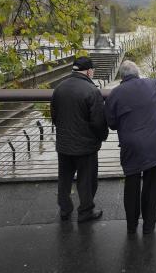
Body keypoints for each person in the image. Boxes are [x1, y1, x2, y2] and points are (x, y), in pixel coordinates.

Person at [105, 60, 156, 235]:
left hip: (131, 146)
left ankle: (131, 226)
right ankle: (149, 227)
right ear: (138, 73)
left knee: (132, 185)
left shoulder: (114, 94)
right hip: (154, 144)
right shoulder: (151, 85)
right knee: (152, 186)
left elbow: (112, 124)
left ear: (121, 76)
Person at [50, 56, 108, 223]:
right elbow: (98, 121)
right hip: (85, 146)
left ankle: (65, 209)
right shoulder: (92, 91)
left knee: (64, 178)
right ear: (89, 71)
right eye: (93, 70)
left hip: (64, 143)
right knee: (87, 180)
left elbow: (54, 116)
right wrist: (102, 137)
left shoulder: (59, 88)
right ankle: (85, 211)